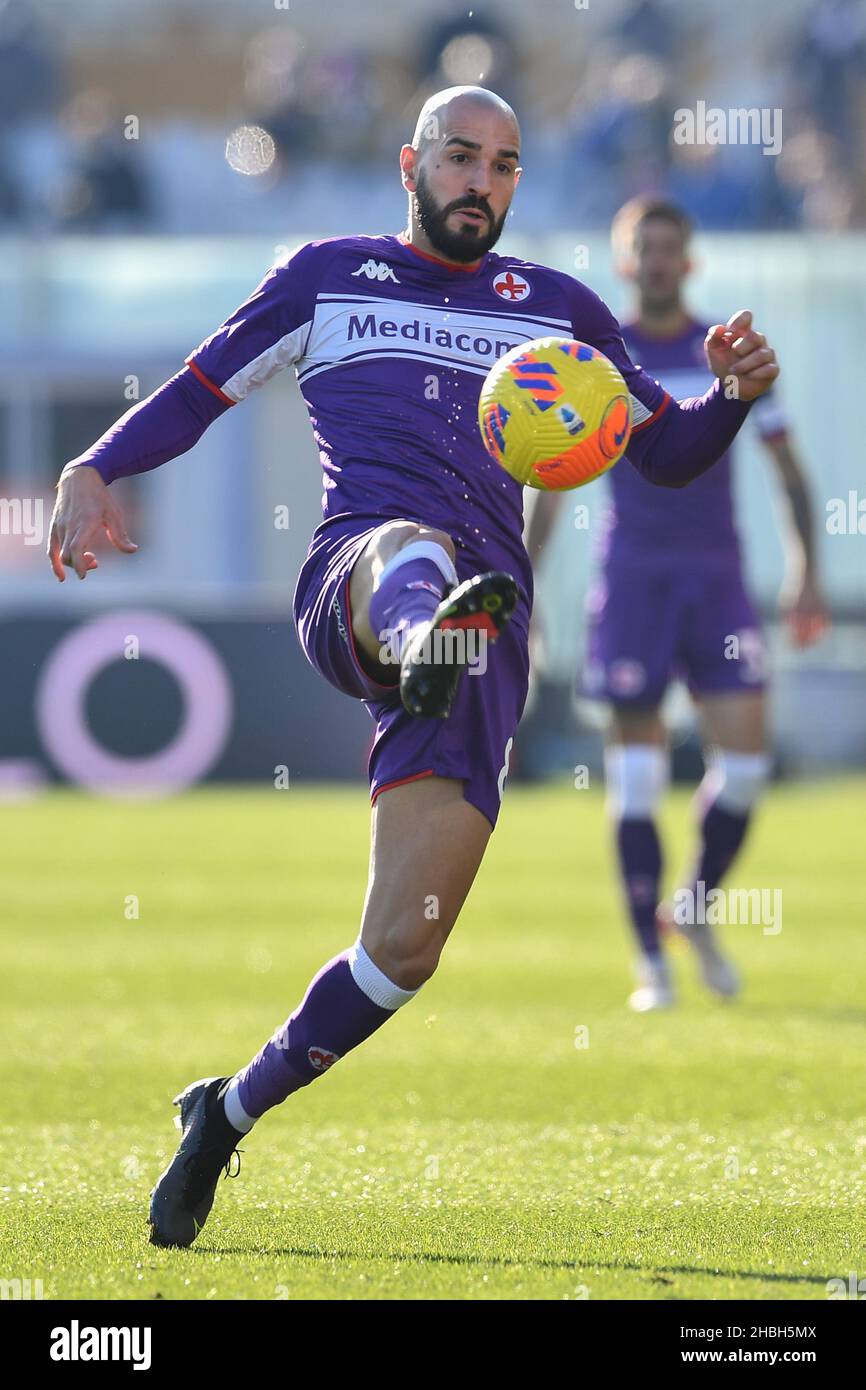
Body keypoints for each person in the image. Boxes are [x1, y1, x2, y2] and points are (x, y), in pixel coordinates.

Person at [47, 92, 780, 1246]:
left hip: (481, 642)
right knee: (412, 549)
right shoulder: (326, 276)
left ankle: (224, 1113)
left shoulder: (558, 311)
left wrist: (729, 394)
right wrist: (96, 464)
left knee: (404, 945)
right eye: (458, 156)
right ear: (410, 164)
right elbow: (198, 392)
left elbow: (669, 451)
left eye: (503, 165)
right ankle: (420, 614)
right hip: (359, 573)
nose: (480, 180)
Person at [527, 197, 825, 1012]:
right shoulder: (597, 358)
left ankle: (691, 909)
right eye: (642, 248)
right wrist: (524, 587)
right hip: (632, 580)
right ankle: (649, 963)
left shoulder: (730, 351)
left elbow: (790, 471)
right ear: (624, 261)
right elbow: (553, 479)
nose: (656, 260)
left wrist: (805, 569)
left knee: (749, 765)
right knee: (634, 777)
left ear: (689, 261)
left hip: (717, 579)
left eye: (669, 247)